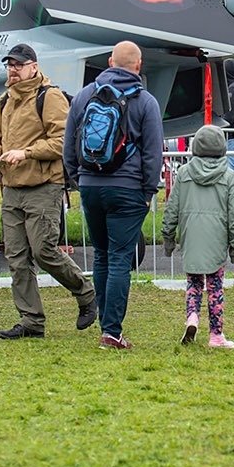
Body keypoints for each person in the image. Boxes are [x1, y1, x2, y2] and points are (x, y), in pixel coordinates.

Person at [0, 43, 97, 339]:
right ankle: (31, 321)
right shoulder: (4, 100)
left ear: (34, 67)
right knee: (17, 257)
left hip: (43, 187)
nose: (13, 70)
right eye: (10, 65)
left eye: (19, 65)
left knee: (44, 250)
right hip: (11, 187)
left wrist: (26, 153)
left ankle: (86, 293)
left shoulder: (50, 97)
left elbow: (62, 140)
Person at [64, 42, 163, 350]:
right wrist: (148, 191)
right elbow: (152, 152)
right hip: (129, 187)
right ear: (138, 65)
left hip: (91, 185)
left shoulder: (83, 96)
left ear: (109, 62)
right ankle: (111, 330)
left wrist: (79, 180)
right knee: (121, 257)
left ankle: (107, 326)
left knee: (102, 255)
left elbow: (68, 145)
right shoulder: (146, 102)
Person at [161, 124, 234, 349]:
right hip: (217, 239)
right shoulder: (228, 176)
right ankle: (216, 335)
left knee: (194, 283)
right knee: (215, 288)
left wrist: (168, 238)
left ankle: (192, 317)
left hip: (191, 237)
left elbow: (172, 208)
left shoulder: (184, 174)